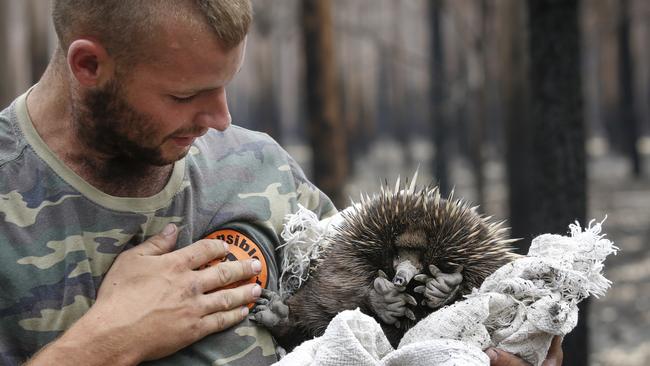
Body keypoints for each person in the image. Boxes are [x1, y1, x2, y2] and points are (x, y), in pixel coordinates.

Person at [0, 1, 562, 365]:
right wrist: (105, 342)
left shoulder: (259, 164)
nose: (221, 120)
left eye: (225, 86)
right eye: (184, 95)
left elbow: (356, 337)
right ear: (89, 66)